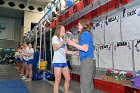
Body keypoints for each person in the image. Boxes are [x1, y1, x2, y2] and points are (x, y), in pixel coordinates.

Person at [67, 19, 96, 93]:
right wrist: (71, 39)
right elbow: (79, 42)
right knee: (88, 83)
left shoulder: (85, 34)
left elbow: (85, 48)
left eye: (79, 25)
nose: (78, 26)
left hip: (87, 61)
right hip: (88, 60)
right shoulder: (85, 34)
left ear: (83, 25)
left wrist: (72, 44)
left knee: (85, 83)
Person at [52, 25, 77, 93]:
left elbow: (66, 51)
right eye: (62, 29)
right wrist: (63, 42)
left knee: (68, 79)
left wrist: (74, 52)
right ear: (58, 30)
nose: (64, 31)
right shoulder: (55, 38)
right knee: (57, 80)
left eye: (64, 29)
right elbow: (55, 47)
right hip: (57, 62)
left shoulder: (62, 40)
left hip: (64, 62)